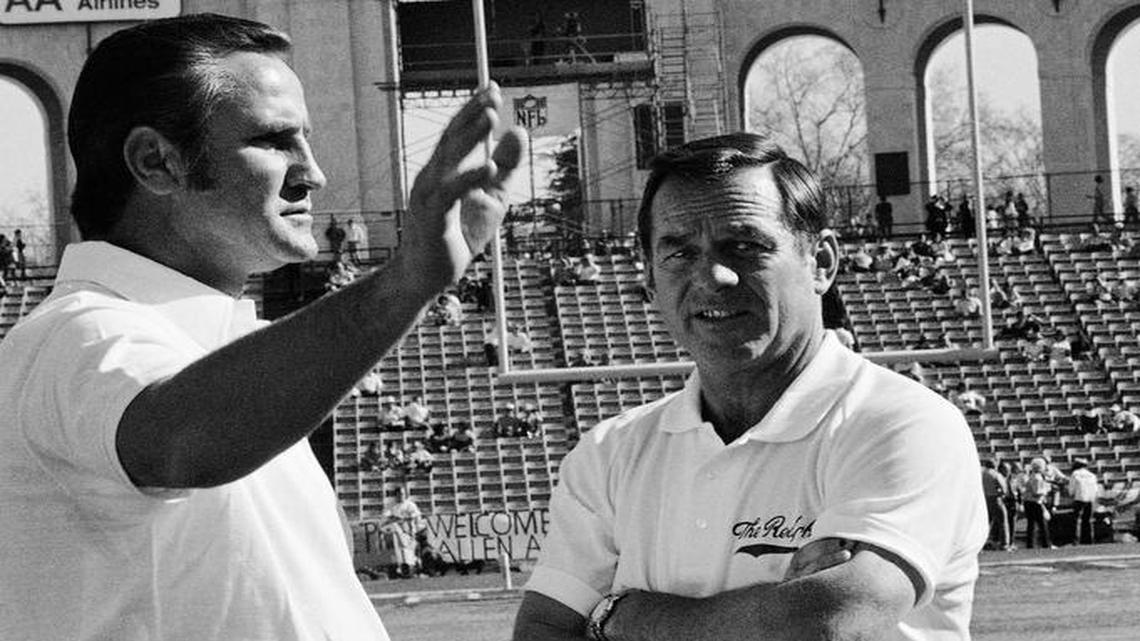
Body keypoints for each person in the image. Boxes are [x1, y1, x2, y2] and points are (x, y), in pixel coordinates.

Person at [0, 14, 525, 641]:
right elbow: (184, 441)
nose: (312, 172)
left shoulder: (224, 352)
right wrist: (404, 281)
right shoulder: (71, 335)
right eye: (276, 140)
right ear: (155, 162)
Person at [512, 133, 987, 641]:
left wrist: (621, 617)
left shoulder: (900, 422)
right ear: (649, 276)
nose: (714, 275)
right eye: (679, 254)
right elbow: (544, 630)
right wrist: (770, 611)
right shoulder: (611, 452)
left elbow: (829, 623)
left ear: (821, 261)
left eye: (746, 246)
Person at [1022, 458, 1056, 550]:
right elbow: (1036, 492)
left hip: (1030, 502)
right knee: (1042, 524)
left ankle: (1031, 545)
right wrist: (1047, 490)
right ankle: (1046, 544)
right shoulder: (1037, 478)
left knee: (1031, 524)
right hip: (1034, 502)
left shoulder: (1034, 476)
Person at [980, 459, 1012, 551]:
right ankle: (1005, 544)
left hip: (984, 499)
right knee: (1003, 521)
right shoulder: (996, 474)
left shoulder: (980, 473)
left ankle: (982, 543)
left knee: (985, 522)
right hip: (995, 498)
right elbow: (1004, 488)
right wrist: (1002, 495)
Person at [1067, 460, 1098, 546]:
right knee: (1088, 520)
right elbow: (1096, 489)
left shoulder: (1075, 474)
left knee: (1076, 520)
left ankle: (1076, 540)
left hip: (1079, 498)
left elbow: (1071, 490)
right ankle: (1089, 540)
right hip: (1090, 499)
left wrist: (1071, 494)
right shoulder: (1092, 475)